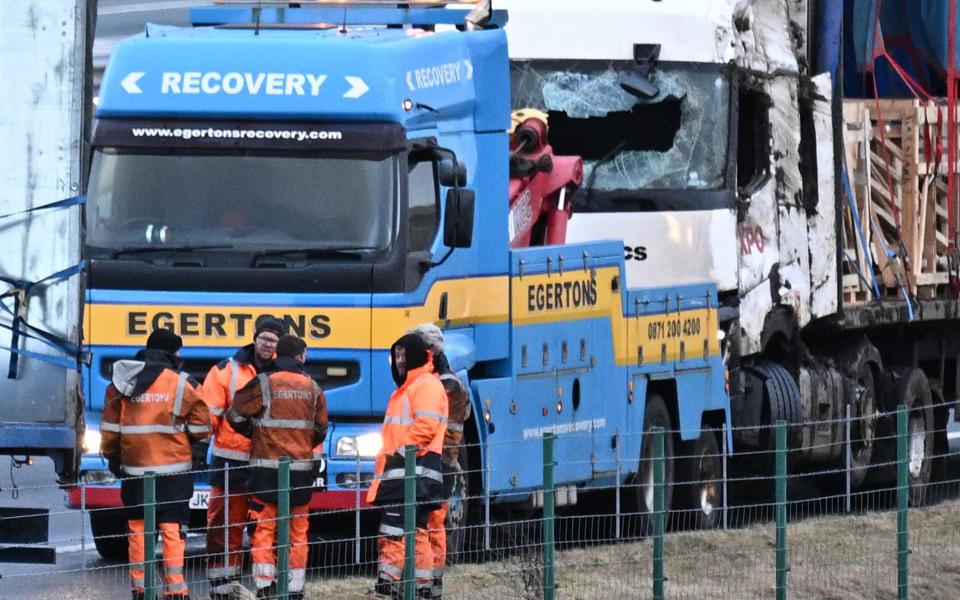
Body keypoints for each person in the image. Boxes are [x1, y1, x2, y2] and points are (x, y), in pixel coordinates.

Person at [100, 329, 210, 600]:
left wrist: (115, 458)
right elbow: (202, 426)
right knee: (172, 529)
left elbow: (110, 429)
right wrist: (192, 448)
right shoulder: (182, 382)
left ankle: (141, 589)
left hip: (134, 469)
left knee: (139, 528)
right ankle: (176, 590)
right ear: (174, 352)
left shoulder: (121, 382)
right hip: (174, 470)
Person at [226, 335, 328, 600]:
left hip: (265, 472)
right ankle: (295, 589)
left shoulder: (263, 382)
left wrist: (256, 433)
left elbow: (235, 414)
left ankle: (265, 586)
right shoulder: (313, 387)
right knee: (298, 532)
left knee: (264, 529)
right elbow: (320, 430)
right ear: (301, 356)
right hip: (301, 472)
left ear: (276, 355)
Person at [201, 316, 287, 597]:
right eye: (264, 338)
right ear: (255, 338)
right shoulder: (226, 370)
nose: (267, 344)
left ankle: (266, 587)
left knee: (266, 530)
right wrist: (198, 447)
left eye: (273, 340)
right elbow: (208, 414)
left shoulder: (284, 373)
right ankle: (223, 589)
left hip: (267, 462)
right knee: (225, 528)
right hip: (231, 462)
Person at [368, 333, 448, 599]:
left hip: (413, 471)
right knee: (414, 531)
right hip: (406, 471)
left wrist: (399, 455)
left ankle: (389, 584)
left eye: (403, 355)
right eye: (397, 355)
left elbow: (425, 427)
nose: (399, 361)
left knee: (399, 531)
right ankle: (417, 588)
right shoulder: (408, 388)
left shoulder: (425, 385)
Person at [411, 323, 470, 600]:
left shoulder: (445, 384)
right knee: (427, 523)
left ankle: (431, 586)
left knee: (433, 523)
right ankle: (426, 584)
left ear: (430, 351)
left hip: (440, 461)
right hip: (434, 460)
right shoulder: (435, 379)